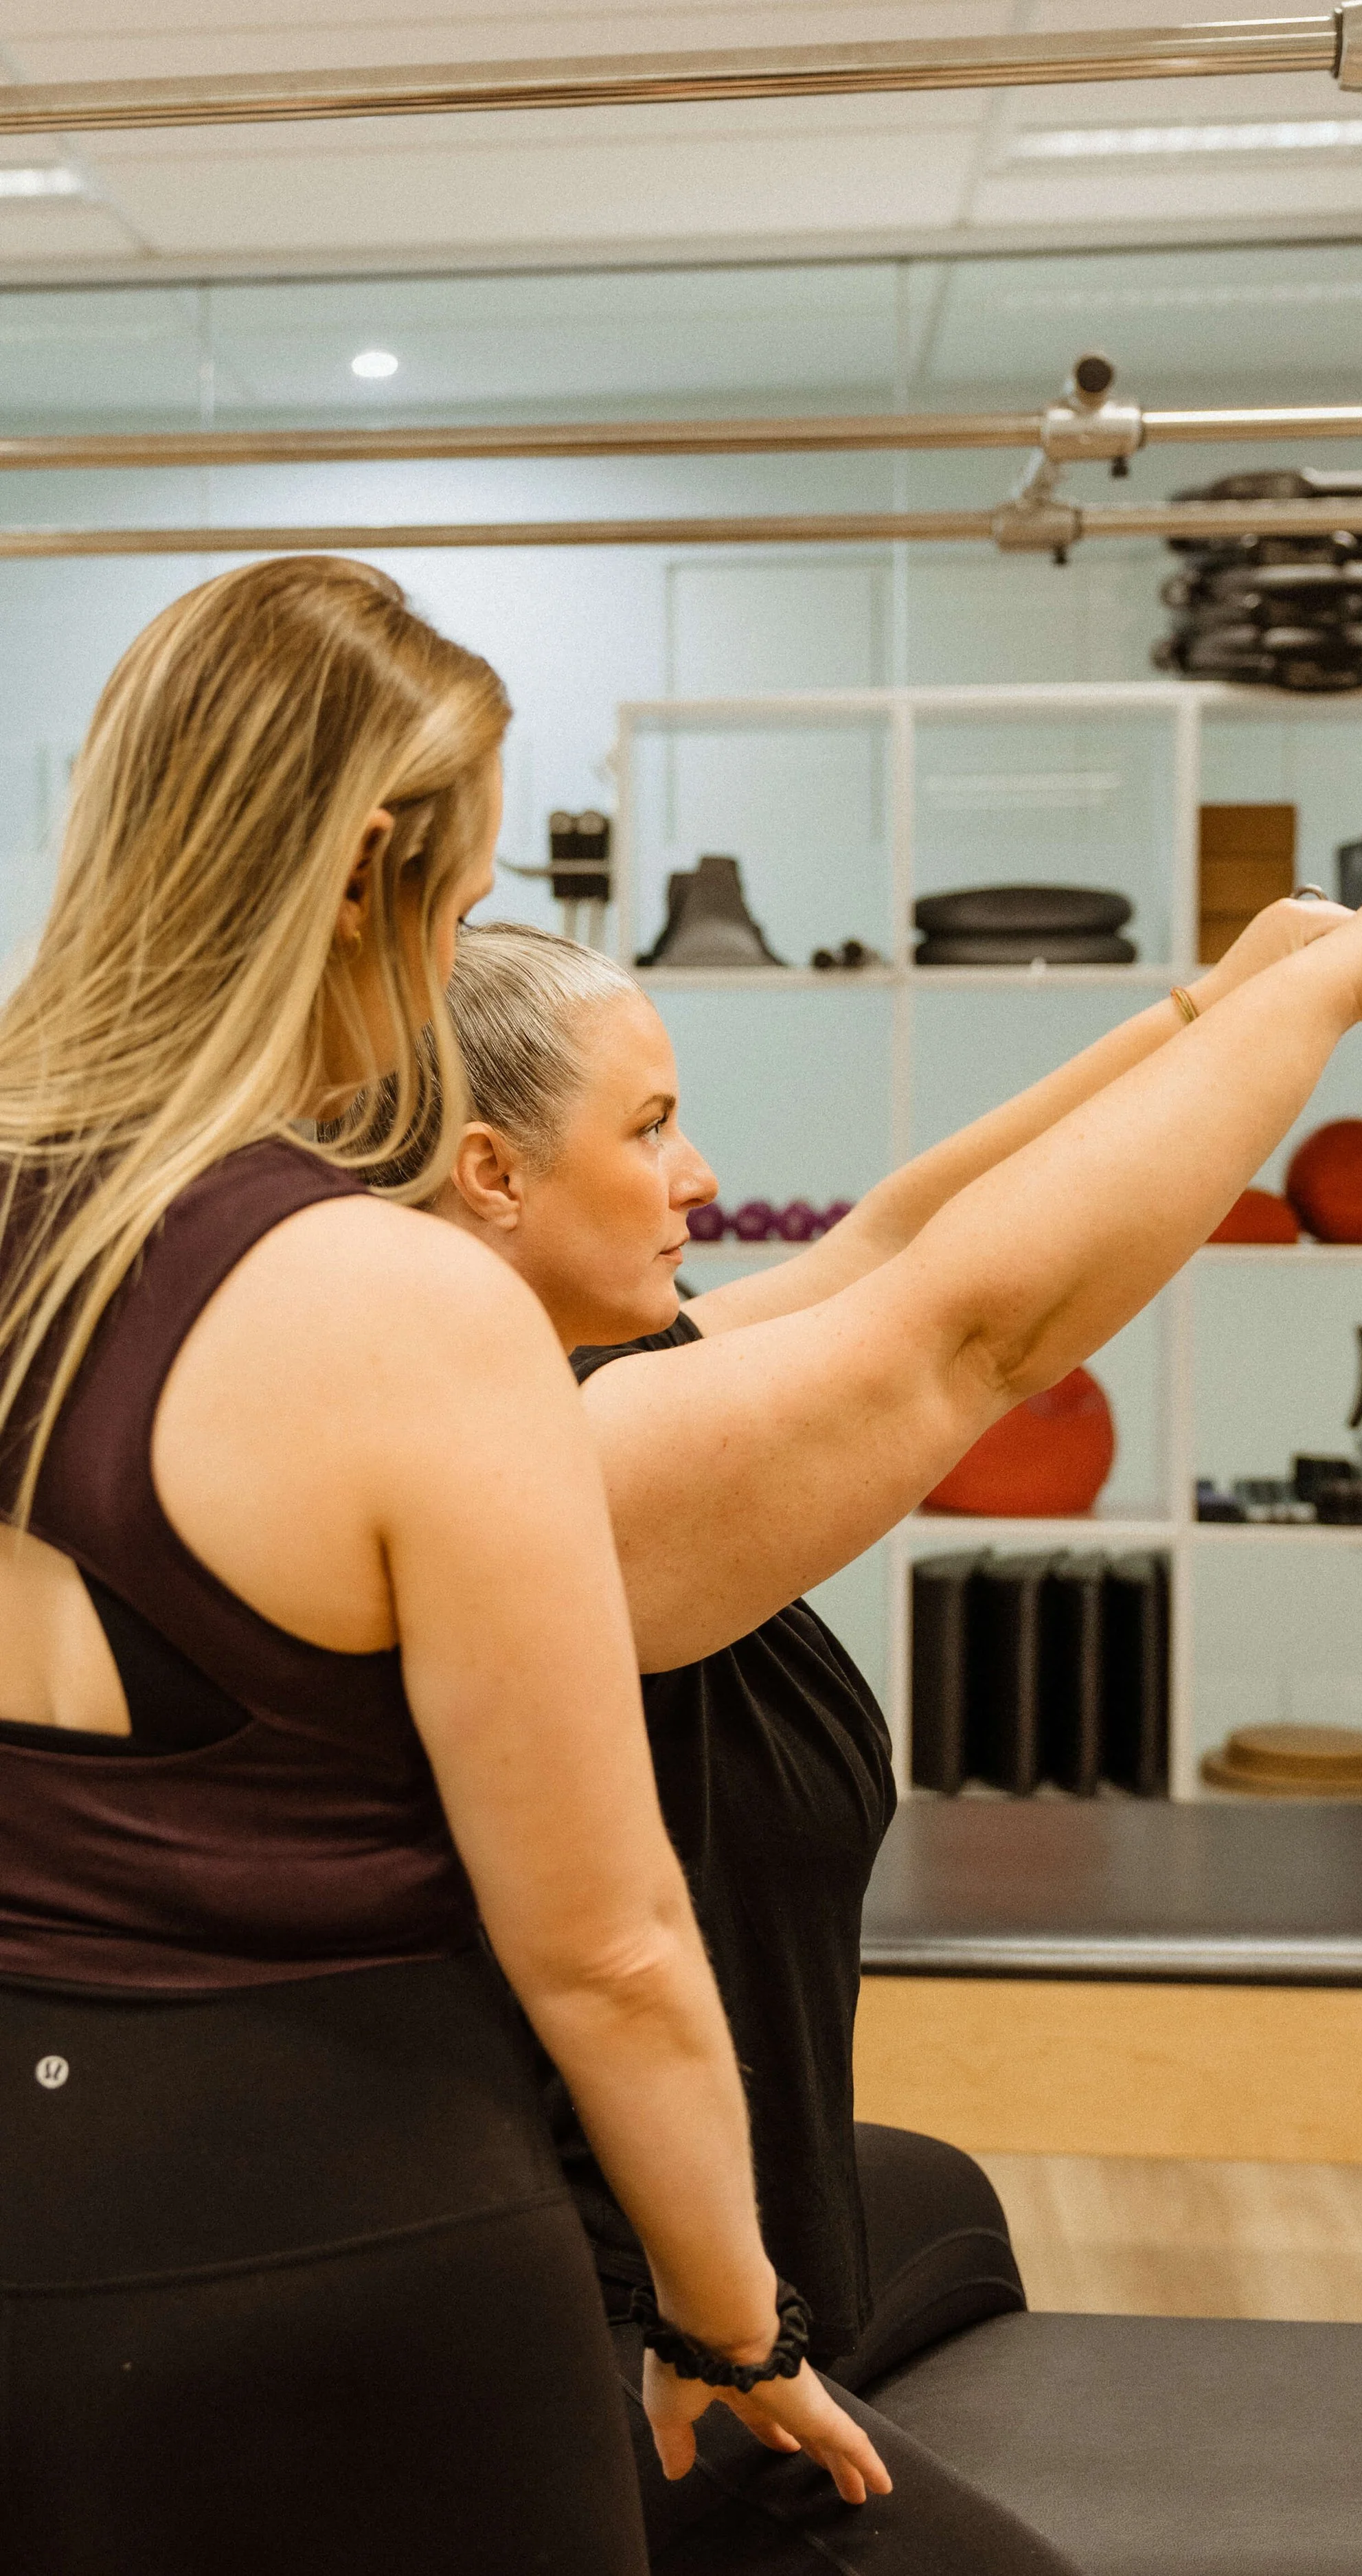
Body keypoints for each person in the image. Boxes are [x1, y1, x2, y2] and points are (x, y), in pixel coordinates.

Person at [435, 857, 1362, 2556]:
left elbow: (901, 1238)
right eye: (649, 1128)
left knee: (932, 2191)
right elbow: (976, 1334)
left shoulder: (587, 1382)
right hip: (613, 2343)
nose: (700, 1176)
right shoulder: (549, 1479)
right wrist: (1317, 1009)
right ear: (488, 1177)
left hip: (673, 2228)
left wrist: (1225, 1004)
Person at [0, 554, 890, 2576]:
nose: (461, 947)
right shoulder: (396, 1302)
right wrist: (730, 2320)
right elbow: (609, 1943)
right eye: (471, 900)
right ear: (364, 872)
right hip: (343, 2234)